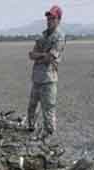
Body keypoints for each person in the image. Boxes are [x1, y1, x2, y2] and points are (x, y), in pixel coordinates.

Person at [27, 5, 65, 141]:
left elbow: (50, 57)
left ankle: (49, 136)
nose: (49, 21)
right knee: (32, 107)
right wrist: (42, 55)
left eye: (52, 18)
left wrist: (39, 56)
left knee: (48, 109)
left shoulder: (59, 37)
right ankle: (31, 129)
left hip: (48, 79)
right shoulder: (42, 35)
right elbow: (31, 54)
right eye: (48, 18)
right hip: (37, 77)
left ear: (58, 20)